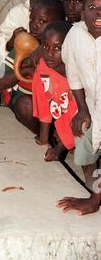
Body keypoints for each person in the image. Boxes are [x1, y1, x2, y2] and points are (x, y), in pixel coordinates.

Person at [0, 0, 65, 134]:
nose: (34, 25)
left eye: (42, 21)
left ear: (58, 24)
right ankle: (45, 136)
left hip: (59, 105)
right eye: (32, 19)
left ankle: (57, 134)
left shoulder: (66, 48)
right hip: (30, 106)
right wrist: (24, 69)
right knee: (25, 104)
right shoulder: (25, 45)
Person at [58, 0, 101, 215]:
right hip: (94, 105)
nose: (98, 14)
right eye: (92, 8)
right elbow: (73, 73)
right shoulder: (75, 35)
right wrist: (82, 109)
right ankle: (94, 191)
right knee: (85, 150)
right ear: (82, 12)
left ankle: (95, 198)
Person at [32, 20, 77, 161]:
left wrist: (60, 148)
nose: (50, 53)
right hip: (60, 111)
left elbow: (78, 112)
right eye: (46, 46)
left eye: (57, 48)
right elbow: (42, 102)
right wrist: (44, 138)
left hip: (83, 118)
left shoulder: (79, 73)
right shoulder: (43, 67)